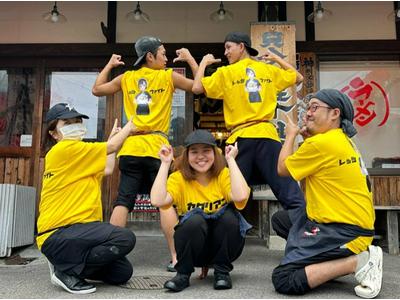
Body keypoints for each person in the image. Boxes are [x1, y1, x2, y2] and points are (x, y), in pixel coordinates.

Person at [92, 36, 199, 271]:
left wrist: (109, 65)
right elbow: (198, 86)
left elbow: (97, 89)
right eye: (162, 53)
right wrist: (192, 61)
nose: (166, 57)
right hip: (157, 150)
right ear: (149, 56)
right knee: (164, 203)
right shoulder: (168, 76)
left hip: (130, 146)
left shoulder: (128, 78)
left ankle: (110, 257)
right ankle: (176, 257)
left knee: (123, 201)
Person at [272, 89, 383, 298]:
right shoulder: (340, 139)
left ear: (335, 113)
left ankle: (359, 261)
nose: (308, 114)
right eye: (308, 109)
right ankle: (327, 263)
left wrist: (290, 136)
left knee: (284, 279)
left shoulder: (321, 144)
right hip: (354, 223)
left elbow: (282, 169)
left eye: (314, 107)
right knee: (282, 220)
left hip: (343, 230)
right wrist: (307, 140)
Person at [192, 31, 305, 222]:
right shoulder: (267, 70)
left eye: (228, 47)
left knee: (231, 197)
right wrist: (277, 59)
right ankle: (306, 240)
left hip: (240, 141)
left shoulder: (225, 73)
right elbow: (298, 77)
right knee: (291, 195)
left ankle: (226, 245)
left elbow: (196, 88)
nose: (226, 52)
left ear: (241, 46)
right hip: (267, 137)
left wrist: (203, 62)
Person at [36, 103, 137, 294]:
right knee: (124, 238)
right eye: (67, 122)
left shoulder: (80, 158)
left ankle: (67, 263)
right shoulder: (63, 150)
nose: (74, 125)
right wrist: (129, 128)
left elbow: (107, 168)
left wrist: (112, 140)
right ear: (54, 133)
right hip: (58, 232)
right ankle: (65, 270)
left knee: (122, 272)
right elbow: (112, 147)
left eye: (77, 121)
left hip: (80, 231)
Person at [150, 130, 251, 292]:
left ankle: (222, 273)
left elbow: (240, 196)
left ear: (215, 153)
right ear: (187, 156)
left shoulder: (222, 175)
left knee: (228, 217)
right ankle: (182, 274)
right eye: (194, 152)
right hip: (193, 250)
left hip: (225, 248)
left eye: (206, 151)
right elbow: (157, 200)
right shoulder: (179, 178)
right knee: (195, 220)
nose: (200, 156)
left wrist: (231, 160)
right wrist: (164, 163)